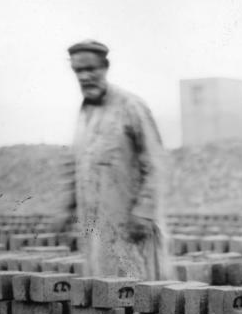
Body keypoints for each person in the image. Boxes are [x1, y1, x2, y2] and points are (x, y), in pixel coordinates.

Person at [66, 39, 171, 279]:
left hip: (130, 227)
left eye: (90, 69)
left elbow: (155, 162)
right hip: (96, 230)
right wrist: (68, 211)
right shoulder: (85, 113)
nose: (84, 77)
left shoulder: (130, 106)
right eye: (78, 71)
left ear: (105, 67)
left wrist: (144, 212)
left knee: (140, 298)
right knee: (104, 296)